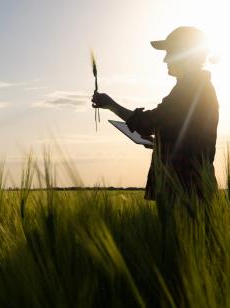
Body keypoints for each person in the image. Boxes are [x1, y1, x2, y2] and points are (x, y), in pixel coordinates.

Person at [92, 26, 219, 201]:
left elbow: (150, 122)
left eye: (170, 52)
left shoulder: (191, 88)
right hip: (190, 186)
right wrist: (160, 142)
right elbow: (184, 132)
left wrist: (111, 105)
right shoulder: (194, 86)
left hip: (185, 187)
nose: (165, 59)